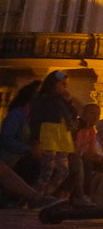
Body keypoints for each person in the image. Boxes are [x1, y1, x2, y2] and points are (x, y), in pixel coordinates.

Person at [29, 73, 77, 203]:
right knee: (47, 170)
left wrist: (69, 102)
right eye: (62, 84)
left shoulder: (61, 101)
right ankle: (33, 197)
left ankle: (44, 196)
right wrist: (35, 141)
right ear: (53, 84)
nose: (65, 88)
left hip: (61, 138)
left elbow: (72, 116)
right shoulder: (43, 100)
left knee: (63, 170)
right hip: (48, 136)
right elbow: (35, 120)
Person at [1, 81, 41, 188]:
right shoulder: (16, 115)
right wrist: (28, 149)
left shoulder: (35, 116)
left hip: (27, 153)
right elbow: (7, 138)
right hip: (11, 156)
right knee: (32, 166)